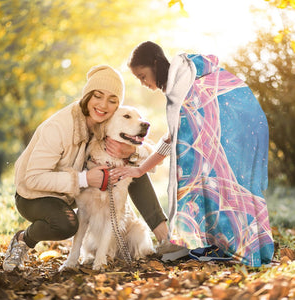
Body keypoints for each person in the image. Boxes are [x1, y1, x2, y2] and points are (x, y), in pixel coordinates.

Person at [110, 41, 275, 267]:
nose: (143, 83)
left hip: (223, 145)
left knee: (217, 187)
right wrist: (139, 169)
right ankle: (212, 243)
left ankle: (228, 246)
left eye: (142, 75)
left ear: (155, 64)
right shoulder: (179, 86)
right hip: (213, 149)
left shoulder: (187, 84)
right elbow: (172, 139)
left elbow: (203, 120)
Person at [2, 64, 169, 272]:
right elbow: (32, 179)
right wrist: (85, 179)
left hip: (69, 193)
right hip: (34, 195)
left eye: (112, 100)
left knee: (133, 170)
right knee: (66, 224)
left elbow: (151, 154)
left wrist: (130, 153)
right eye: (98, 96)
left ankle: (165, 239)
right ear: (87, 95)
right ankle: (23, 239)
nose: (103, 105)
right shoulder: (59, 127)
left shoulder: (105, 123)